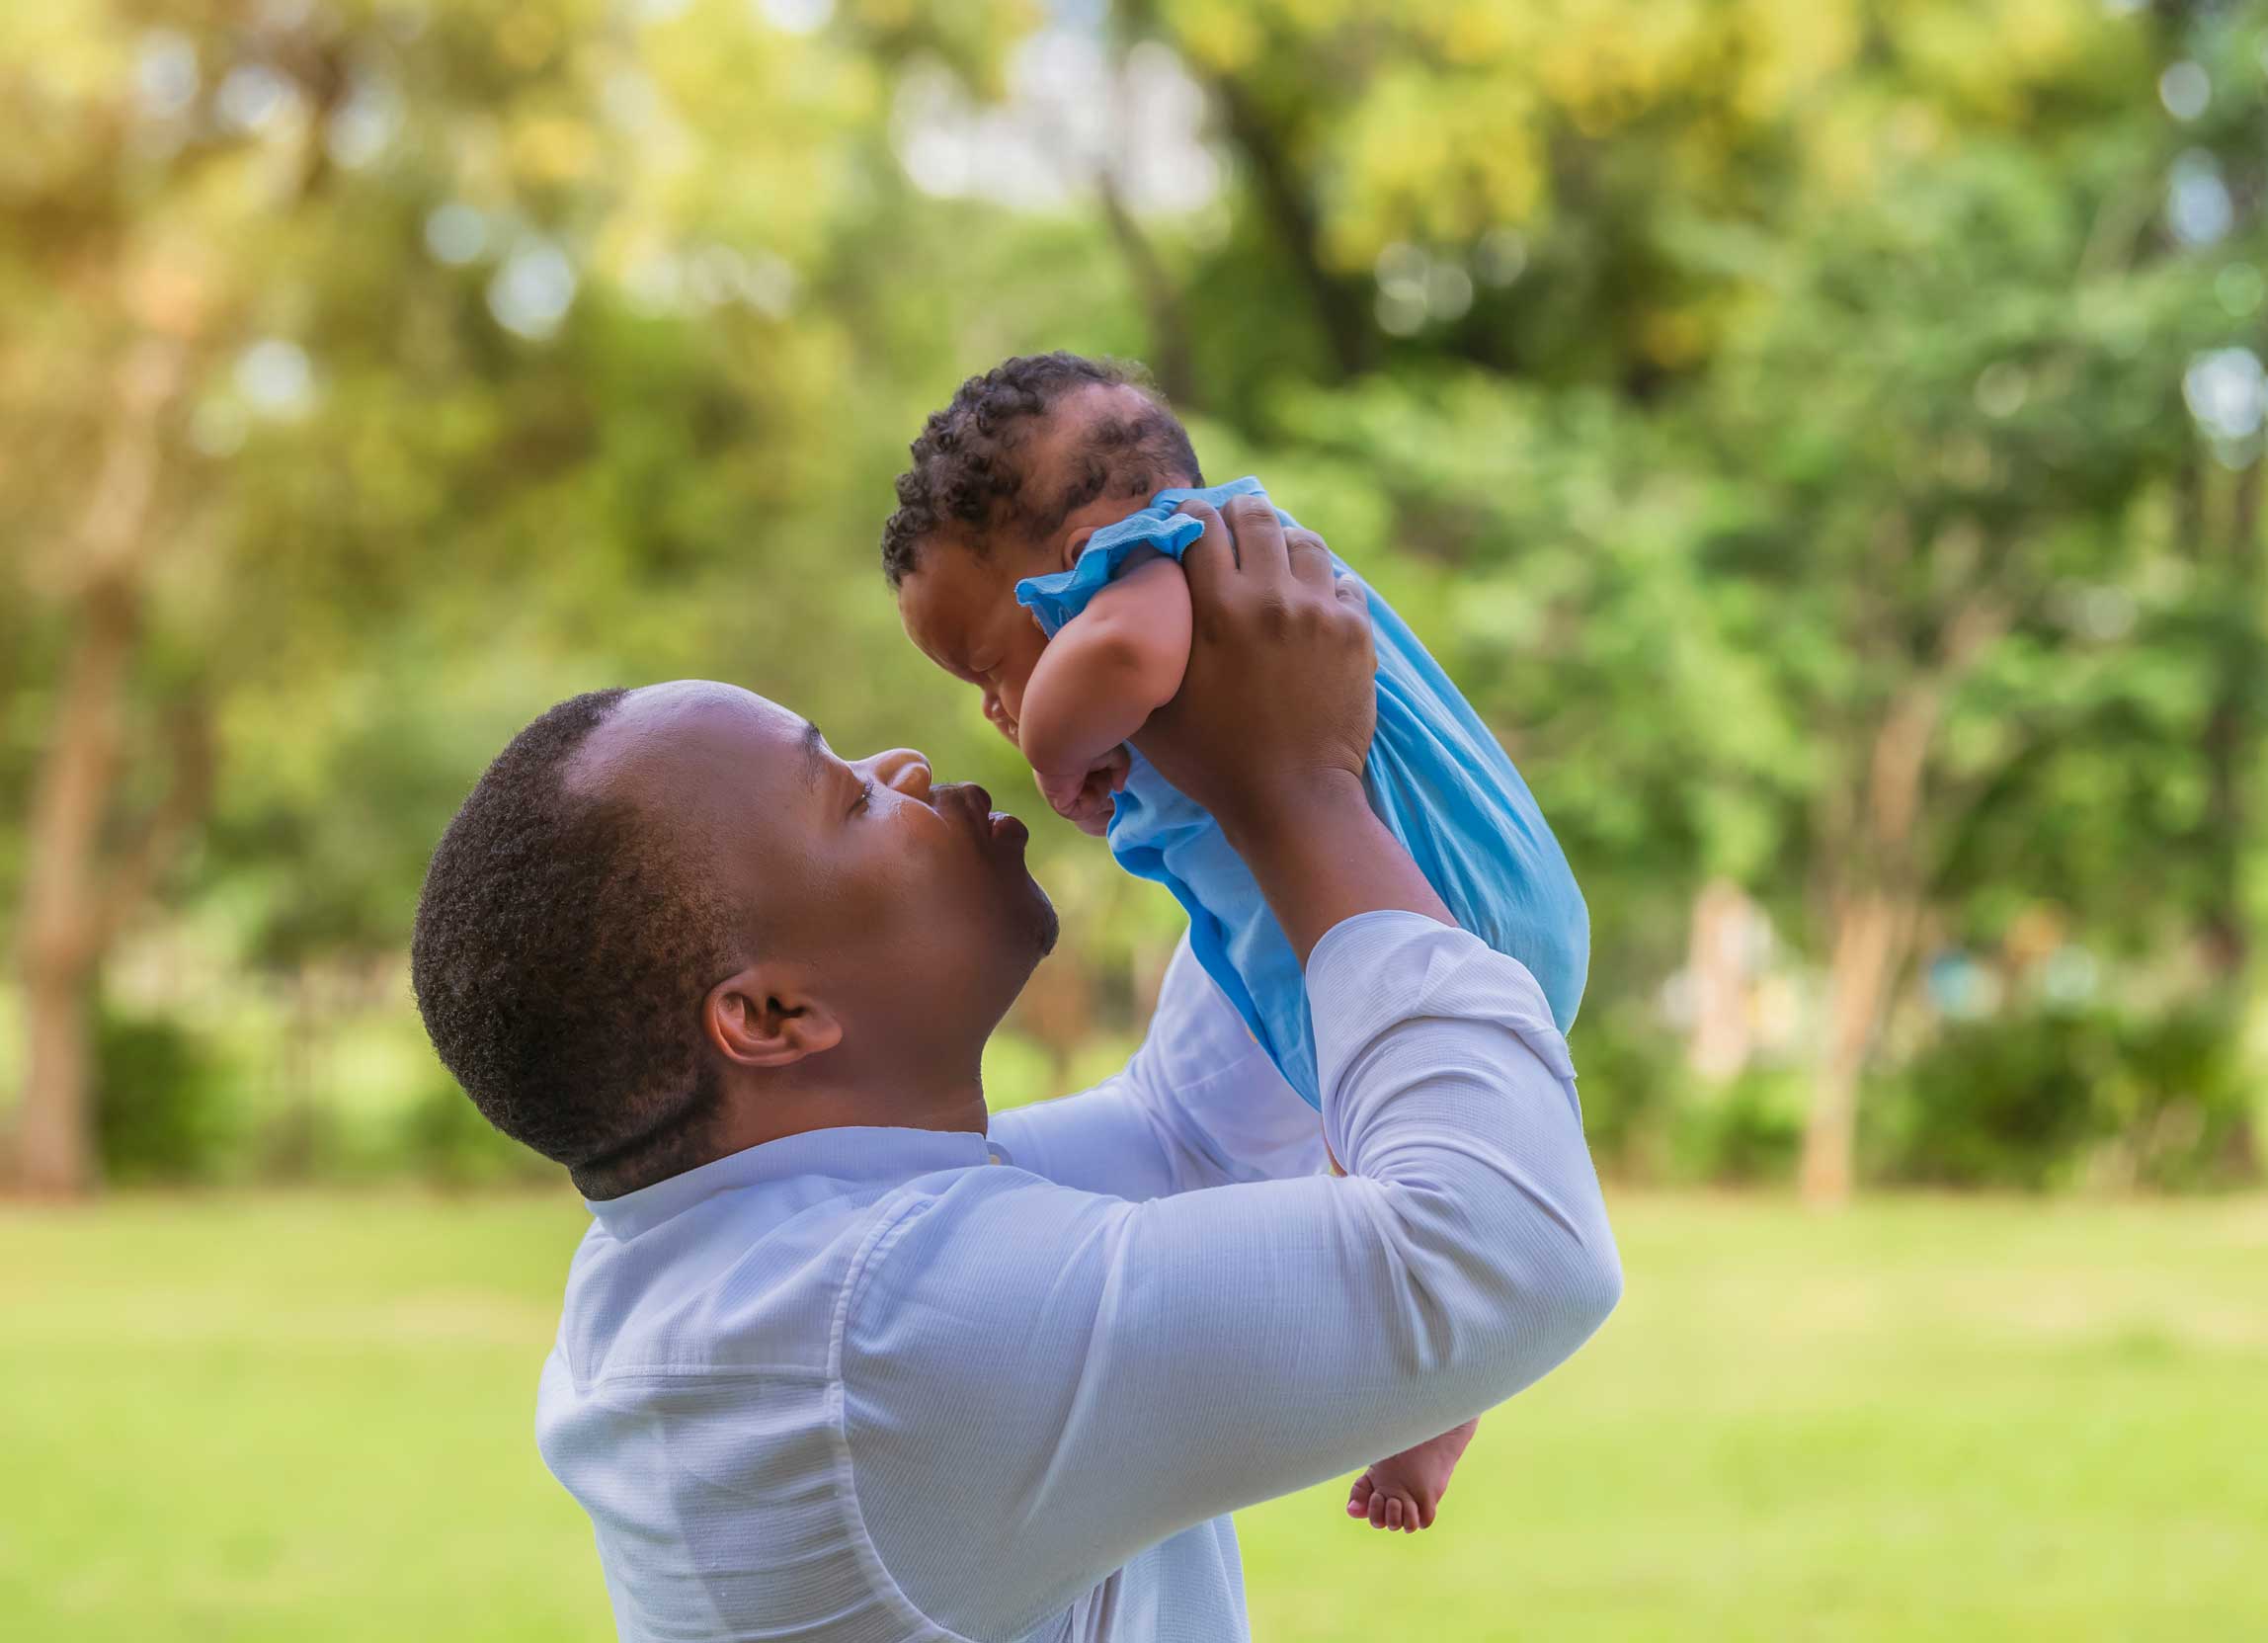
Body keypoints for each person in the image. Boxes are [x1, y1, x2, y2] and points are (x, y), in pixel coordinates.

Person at [409, 501, 1621, 1642]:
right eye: (843, 797)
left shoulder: (768, 1257)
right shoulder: (878, 1346)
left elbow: (1196, 1135)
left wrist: (1217, 789)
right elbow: (1512, 1249)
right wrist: (1299, 792)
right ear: (772, 1014)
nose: (904, 766)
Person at [885, 352, 1590, 1526]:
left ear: (1068, 564)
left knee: (1384, 1183)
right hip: (1459, 921)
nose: (993, 708)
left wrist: (1060, 746)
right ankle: (1438, 1408)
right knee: (1359, 1185)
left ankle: (1437, 1397)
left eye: (984, 663)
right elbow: (1187, 1131)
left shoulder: (1163, 558)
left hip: (1434, 908)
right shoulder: (1233, 567)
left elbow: (1118, 657)